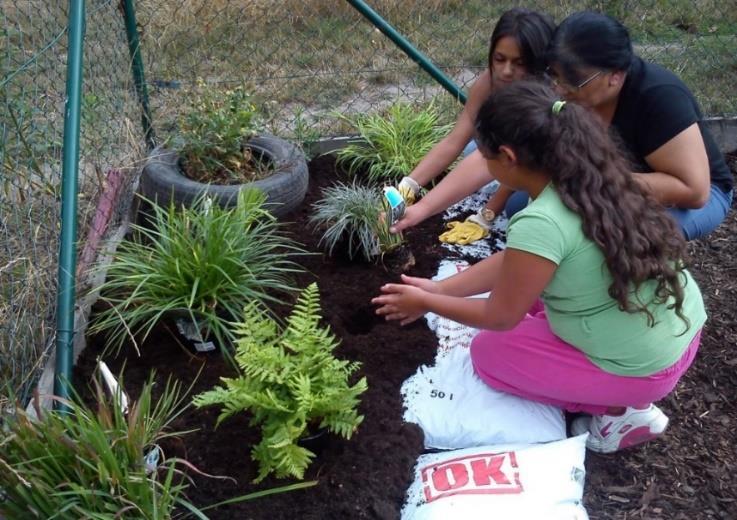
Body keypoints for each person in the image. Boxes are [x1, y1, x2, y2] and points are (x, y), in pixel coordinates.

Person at [373, 81, 707, 453]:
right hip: (678, 331)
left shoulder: (542, 221)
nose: (483, 164)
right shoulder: (592, 177)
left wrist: (428, 304)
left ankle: (621, 413)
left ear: (508, 157)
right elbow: (518, 260)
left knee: (490, 354)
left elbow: (500, 316)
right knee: (529, 301)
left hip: (642, 370)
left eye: (485, 156)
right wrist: (438, 288)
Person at [395, 11, 733, 241]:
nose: (559, 91)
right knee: (520, 210)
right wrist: (419, 206)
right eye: (555, 77)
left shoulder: (658, 96)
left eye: (573, 82)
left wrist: (585, 180)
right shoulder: (569, 91)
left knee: (594, 234)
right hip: (605, 177)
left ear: (616, 75)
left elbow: (694, 191)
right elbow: (490, 159)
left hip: (692, 199)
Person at [395, 8, 555, 245]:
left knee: (517, 208)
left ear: (539, 64)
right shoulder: (489, 83)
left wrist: (486, 215)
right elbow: (455, 140)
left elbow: (517, 159)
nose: (506, 71)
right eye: (499, 59)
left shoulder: (549, 99)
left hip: (548, 169)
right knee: (473, 148)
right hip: (513, 157)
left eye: (519, 63)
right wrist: (409, 186)